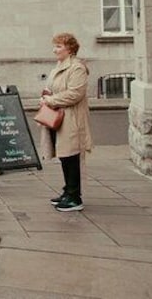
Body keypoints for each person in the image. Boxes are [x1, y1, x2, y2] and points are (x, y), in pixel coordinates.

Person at [39, 32, 93, 212]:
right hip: (58, 117)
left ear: (70, 48)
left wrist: (50, 100)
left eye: (58, 46)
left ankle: (75, 196)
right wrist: (45, 96)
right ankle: (67, 191)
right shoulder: (59, 66)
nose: (55, 50)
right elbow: (51, 88)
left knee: (72, 156)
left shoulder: (77, 68)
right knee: (64, 155)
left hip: (71, 119)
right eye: (54, 46)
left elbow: (75, 94)